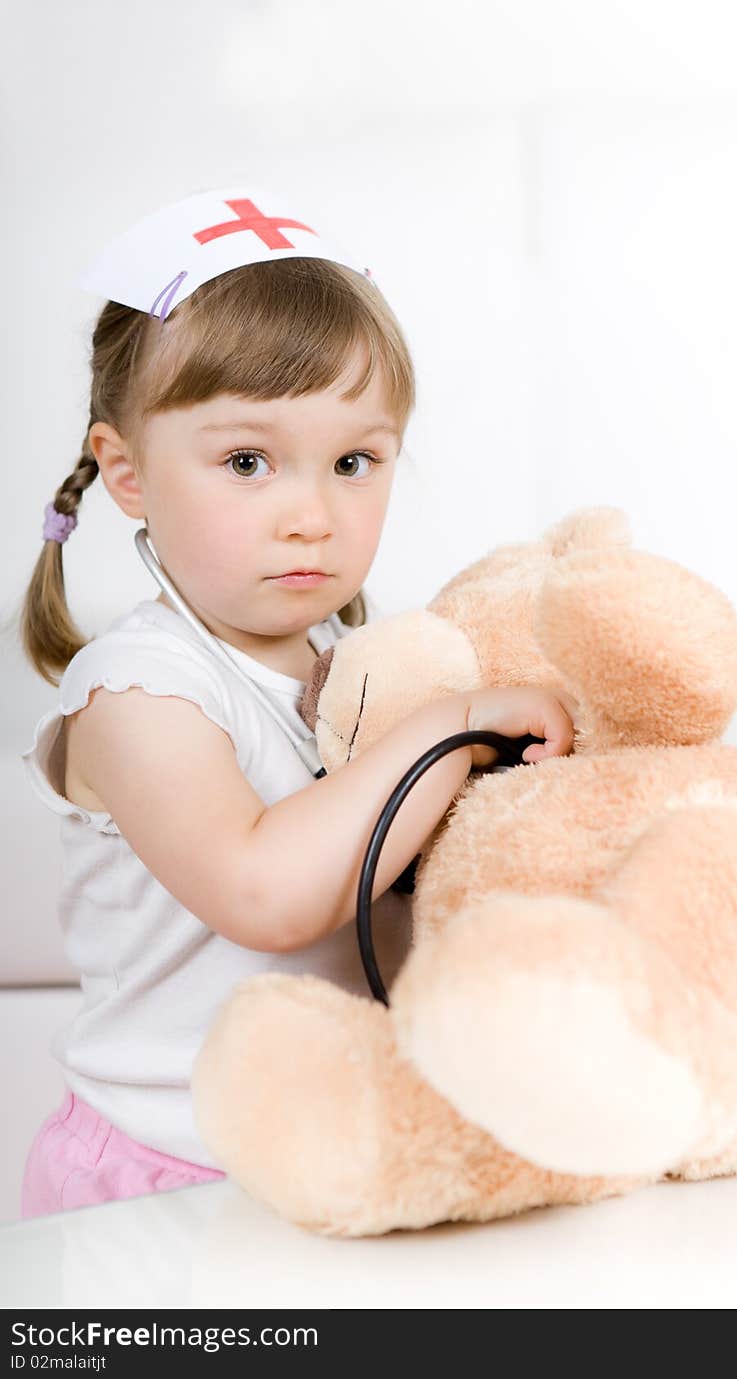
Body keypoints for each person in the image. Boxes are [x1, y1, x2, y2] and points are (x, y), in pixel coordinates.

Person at [14, 189, 577, 1218]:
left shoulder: (358, 666)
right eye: (246, 462)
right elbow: (266, 894)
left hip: (339, 1135)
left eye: (353, 462)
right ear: (128, 474)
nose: (311, 516)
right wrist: (448, 729)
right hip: (169, 1171)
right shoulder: (135, 691)